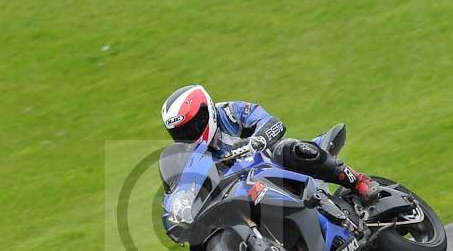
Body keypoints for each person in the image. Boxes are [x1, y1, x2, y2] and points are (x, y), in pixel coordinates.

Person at [160, 84, 380, 204]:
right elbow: (185, 184)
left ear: (206, 112)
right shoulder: (191, 157)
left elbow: (273, 122)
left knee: (287, 149)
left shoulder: (230, 112)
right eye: (179, 132)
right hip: (243, 192)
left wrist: (258, 140)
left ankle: (359, 182)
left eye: (191, 126)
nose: (188, 134)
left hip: (273, 166)